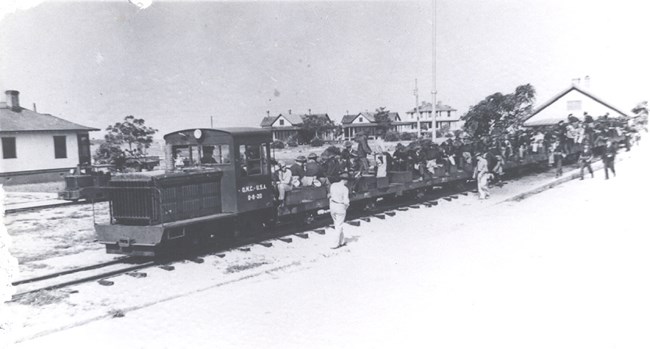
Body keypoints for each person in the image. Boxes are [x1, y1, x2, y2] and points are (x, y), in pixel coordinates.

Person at [329, 172, 350, 249]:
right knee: (339, 225)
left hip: (332, 205)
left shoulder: (333, 185)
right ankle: (335, 243)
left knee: (336, 224)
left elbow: (330, 195)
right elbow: (346, 201)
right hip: (340, 206)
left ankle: (342, 241)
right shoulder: (345, 189)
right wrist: (346, 206)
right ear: (345, 180)